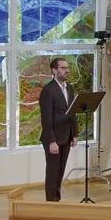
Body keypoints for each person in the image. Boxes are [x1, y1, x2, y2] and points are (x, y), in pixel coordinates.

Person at [39, 57, 78, 202]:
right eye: (63, 68)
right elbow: (46, 118)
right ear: (54, 71)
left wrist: (74, 134)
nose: (67, 70)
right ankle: (51, 201)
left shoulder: (69, 88)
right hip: (53, 137)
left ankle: (57, 200)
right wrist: (52, 141)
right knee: (53, 171)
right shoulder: (48, 90)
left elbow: (72, 112)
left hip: (66, 135)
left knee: (61, 170)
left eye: (67, 67)